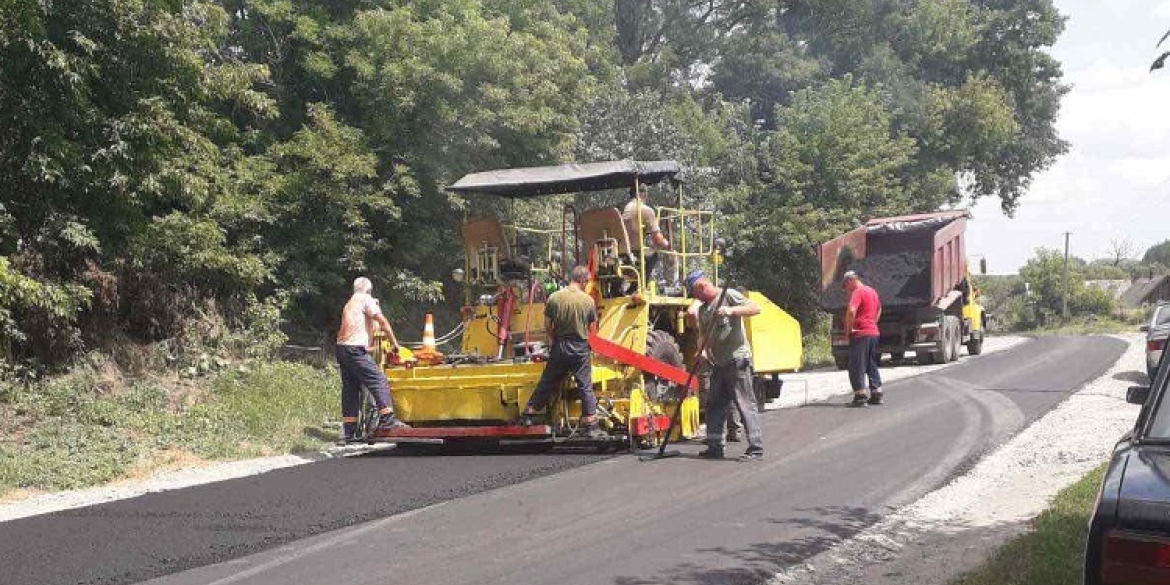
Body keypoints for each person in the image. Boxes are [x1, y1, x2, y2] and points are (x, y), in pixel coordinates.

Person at [685, 270, 764, 461]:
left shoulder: (727, 295)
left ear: (702, 287)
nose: (694, 297)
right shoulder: (704, 309)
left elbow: (755, 308)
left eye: (694, 293)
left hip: (737, 361)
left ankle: (755, 448)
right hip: (718, 364)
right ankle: (714, 447)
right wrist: (701, 351)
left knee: (745, 404)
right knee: (715, 405)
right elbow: (703, 336)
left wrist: (731, 311)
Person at [519, 266, 604, 438]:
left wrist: (556, 339)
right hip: (579, 347)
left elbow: (548, 325)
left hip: (560, 345)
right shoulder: (587, 301)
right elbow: (592, 328)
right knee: (584, 386)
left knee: (548, 381)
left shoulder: (554, 298)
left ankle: (529, 414)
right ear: (584, 281)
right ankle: (591, 425)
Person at [335, 277, 409, 443]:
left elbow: (354, 329)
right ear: (368, 290)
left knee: (351, 389)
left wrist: (367, 348)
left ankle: (349, 432)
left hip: (342, 349)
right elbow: (382, 322)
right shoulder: (366, 299)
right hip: (355, 350)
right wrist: (395, 344)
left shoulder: (350, 302)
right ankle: (388, 421)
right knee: (379, 380)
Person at [690, 299, 743, 443]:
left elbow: (692, 312)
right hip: (713, 355)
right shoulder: (705, 307)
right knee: (721, 396)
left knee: (715, 397)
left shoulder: (701, 305)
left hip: (715, 357)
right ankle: (728, 432)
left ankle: (725, 432)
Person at [842, 270, 883, 406]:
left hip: (860, 334)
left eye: (846, 286)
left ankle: (860, 396)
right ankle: (877, 393)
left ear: (850, 281)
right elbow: (879, 309)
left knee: (856, 365)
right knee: (871, 364)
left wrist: (849, 329)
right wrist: (872, 323)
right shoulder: (872, 291)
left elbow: (851, 310)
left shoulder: (857, 292)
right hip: (873, 333)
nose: (847, 290)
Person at [621, 185, 672, 292]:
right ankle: (643, 286)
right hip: (635, 254)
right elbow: (658, 239)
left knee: (648, 250)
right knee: (654, 254)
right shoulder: (645, 210)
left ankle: (628, 287)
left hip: (621, 253)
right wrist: (666, 244)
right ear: (643, 194)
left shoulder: (625, 209)